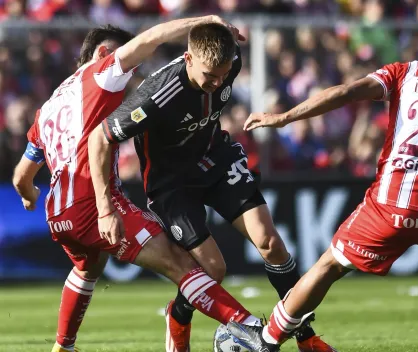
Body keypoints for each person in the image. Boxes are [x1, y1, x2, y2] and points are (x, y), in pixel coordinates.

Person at [12, 16, 262, 352]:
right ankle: (251, 329)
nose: (130, 71)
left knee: (88, 269)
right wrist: (206, 21)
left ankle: (63, 347)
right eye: (125, 59)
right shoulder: (101, 74)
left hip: (57, 212)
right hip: (90, 203)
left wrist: (29, 197)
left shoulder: (49, 107)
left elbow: (21, 177)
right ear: (102, 52)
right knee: (181, 264)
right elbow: (154, 37)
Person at [88, 21, 334, 352]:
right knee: (213, 270)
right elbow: (99, 138)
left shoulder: (228, 62)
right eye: (209, 76)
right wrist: (105, 208)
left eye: (223, 75)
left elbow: (219, 48)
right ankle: (177, 316)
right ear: (188, 58)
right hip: (170, 185)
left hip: (214, 159)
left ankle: (307, 339)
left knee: (271, 243)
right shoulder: (155, 96)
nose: (217, 83)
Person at [227, 21, 418, 351]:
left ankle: (268, 340)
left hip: (391, 206)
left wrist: (283, 118)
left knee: (329, 266)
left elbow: (344, 93)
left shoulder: (405, 72)